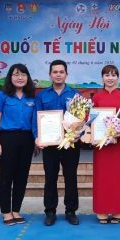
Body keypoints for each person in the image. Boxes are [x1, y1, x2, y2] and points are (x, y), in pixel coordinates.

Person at [33, 60, 80, 226]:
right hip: (49, 145)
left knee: (71, 177)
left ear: (66, 74)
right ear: (50, 75)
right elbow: (35, 118)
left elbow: (82, 118)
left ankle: (71, 211)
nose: (58, 74)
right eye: (55, 72)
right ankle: (50, 211)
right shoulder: (41, 96)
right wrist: (37, 137)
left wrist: (78, 134)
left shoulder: (75, 94)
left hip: (70, 144)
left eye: (61, 72)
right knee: (50, 178)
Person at [0, 63, 36, 226]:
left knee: (22, 176)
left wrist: (36, 140)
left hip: (27, 139)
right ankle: (6, 212)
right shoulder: (1, 95)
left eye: (23, 74)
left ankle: (16, 210)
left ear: (27, 77)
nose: (20, 78)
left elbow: (36, 121)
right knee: (6, 176)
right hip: (7, 139)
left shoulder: (32, 97)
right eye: (16, 74)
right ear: (10, 77)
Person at [92, 65, 120, 224]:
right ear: (102, 78)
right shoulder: (96, 98)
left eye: (113, 75)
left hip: (118, 144)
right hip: (101, 144)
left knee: (118, 176)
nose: (110, 78)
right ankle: (101, 210)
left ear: (118, 78)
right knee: (102, 176)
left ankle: (118, 211)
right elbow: (91, 120)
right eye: (107, 75)